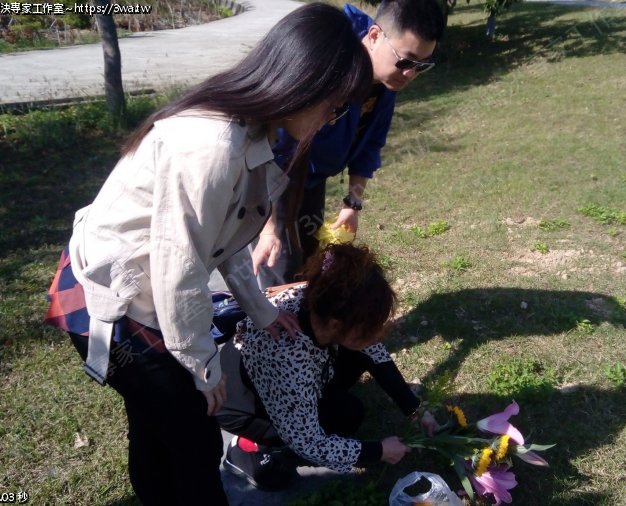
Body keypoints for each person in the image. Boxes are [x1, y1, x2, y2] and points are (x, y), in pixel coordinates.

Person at [43, 4, 372, 504]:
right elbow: (179, 270)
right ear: (306, 83)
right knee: (193, 435)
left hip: (146, 290)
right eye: (335, 106)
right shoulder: (213, 145)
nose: (331, 120)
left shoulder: (253, 126)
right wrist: (202, 368)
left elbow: (225, 238)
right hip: (116, 300)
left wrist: (261, 310)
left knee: (156, 425)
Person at [253, 0, 447, 287]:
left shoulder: (386, 80)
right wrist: (267, 227)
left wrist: (352, 203)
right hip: (274, 179)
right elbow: (266, 148)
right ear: (374, 36)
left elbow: (370, 145)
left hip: (312, 179)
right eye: (406, 61)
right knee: (279, 268)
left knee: (309, 259)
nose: (410, 74)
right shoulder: (327, 60)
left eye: (421, 65)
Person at [216, 243, 437, 490]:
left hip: (286, 374)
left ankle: (310, 405)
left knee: (357, 353)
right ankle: (248, 448)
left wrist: (414, 408)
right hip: (241, 404)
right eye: (370, 328)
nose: (378, 335)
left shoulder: (324, 300)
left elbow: (372, 350)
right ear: (334, 325)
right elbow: (309, 442)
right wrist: (379, 451)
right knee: (345, 415)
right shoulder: (290, 358)